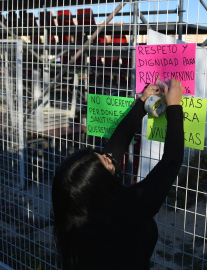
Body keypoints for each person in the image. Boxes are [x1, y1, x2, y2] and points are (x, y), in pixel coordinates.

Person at [52, 78, 184, 270]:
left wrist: (141, 103)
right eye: (105, 161)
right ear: (100, 185)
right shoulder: (129, 209)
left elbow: (115, 147)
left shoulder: (76, 217)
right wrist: (174, 107)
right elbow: (171, 162)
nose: (108, 156)